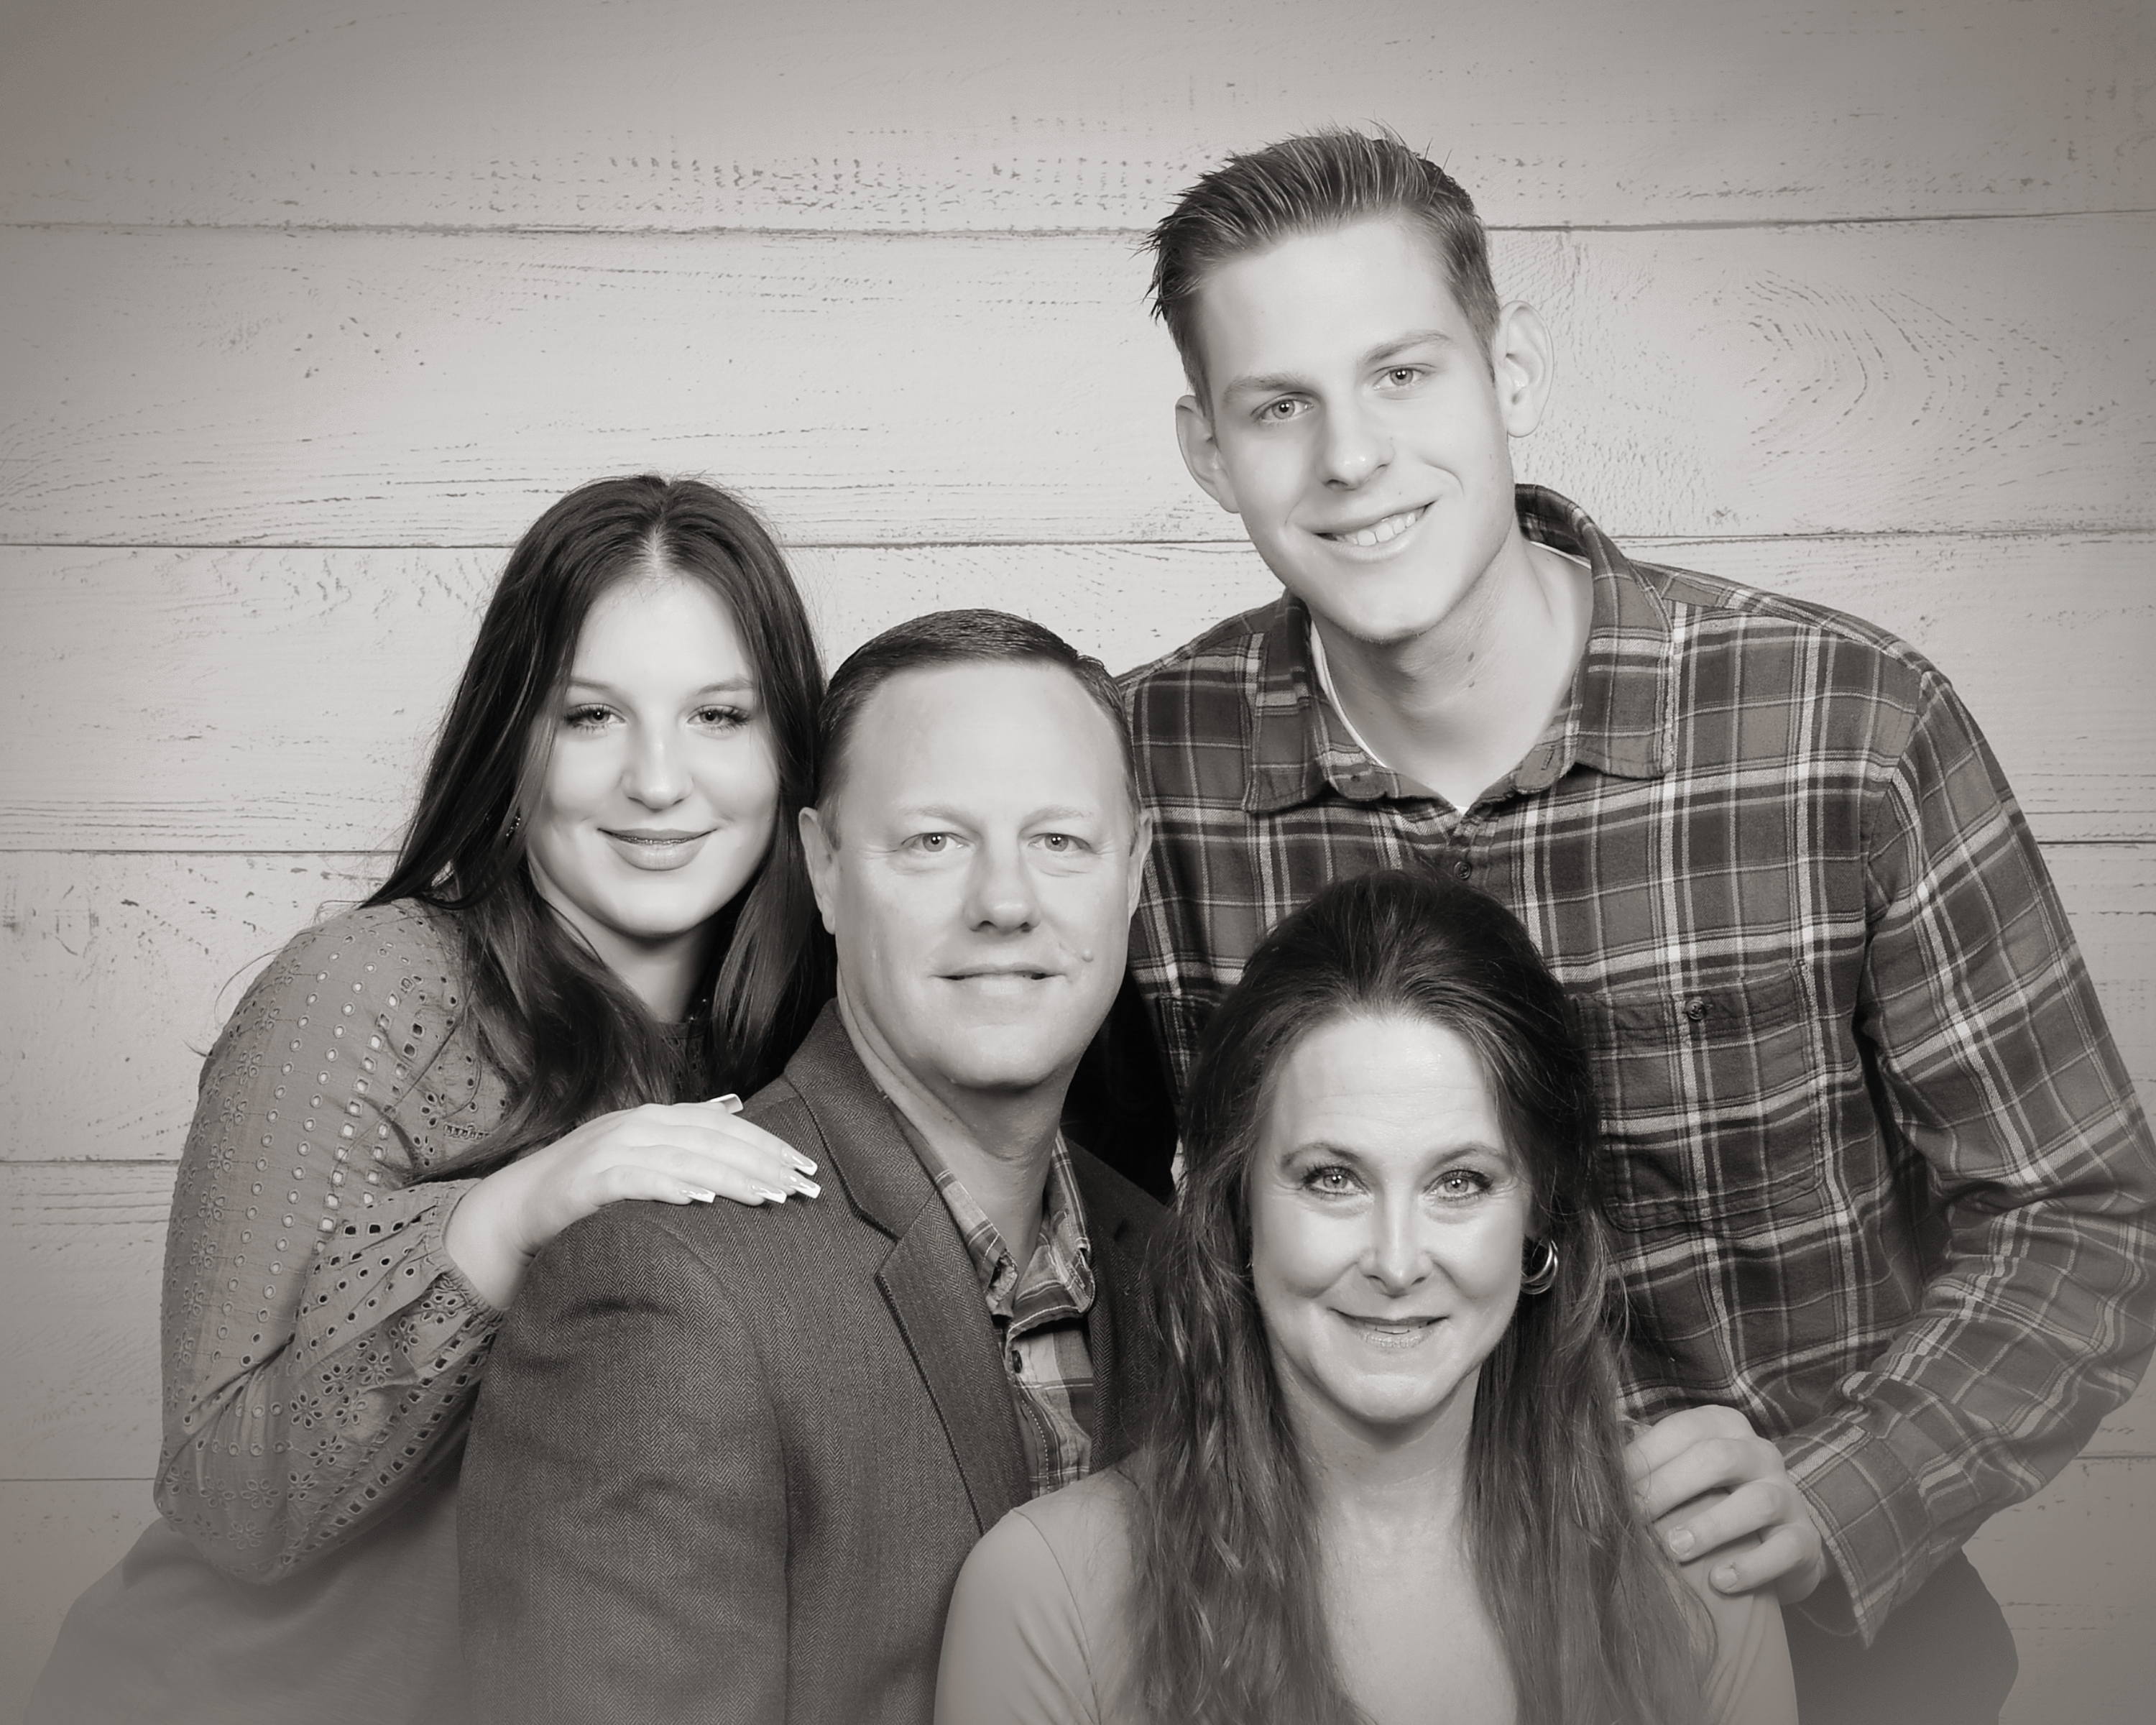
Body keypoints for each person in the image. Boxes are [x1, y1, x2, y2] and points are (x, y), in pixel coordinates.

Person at [1069, 129, 2156, 1721]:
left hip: (1820, 1647)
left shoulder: (1841, 728)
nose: (1351, 457)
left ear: (1512, 371)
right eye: (1278, 407)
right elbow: (1071, 1204)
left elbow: (2085, 1213)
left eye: (1402, 375)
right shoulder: (1139, 771)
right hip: (1339, 1656)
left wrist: (1844, 1490)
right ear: (1206, 450)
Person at [27, 474, 832, 1725]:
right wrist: (519, 1211)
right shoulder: (369, 986)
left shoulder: (800, 1043)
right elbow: (228, 1495)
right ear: (513, 736)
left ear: (788, 752)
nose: (658, 780)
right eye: (591, 716)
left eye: (720, 716)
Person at [459, 610, 1167, 1725]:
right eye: (933, 841)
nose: (1005, 901)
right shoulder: (660, 1288)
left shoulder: (1174, 1267)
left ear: (1134, 871)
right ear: (825, 869)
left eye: (1061, 842)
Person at [943, 869, 1798, 1724]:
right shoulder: (1044, 1595)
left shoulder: (1695, 1558)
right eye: (1333, 1178)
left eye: (1460, 1182)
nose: (1396, 1262)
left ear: (1539, 1212)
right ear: (1236, 1205)